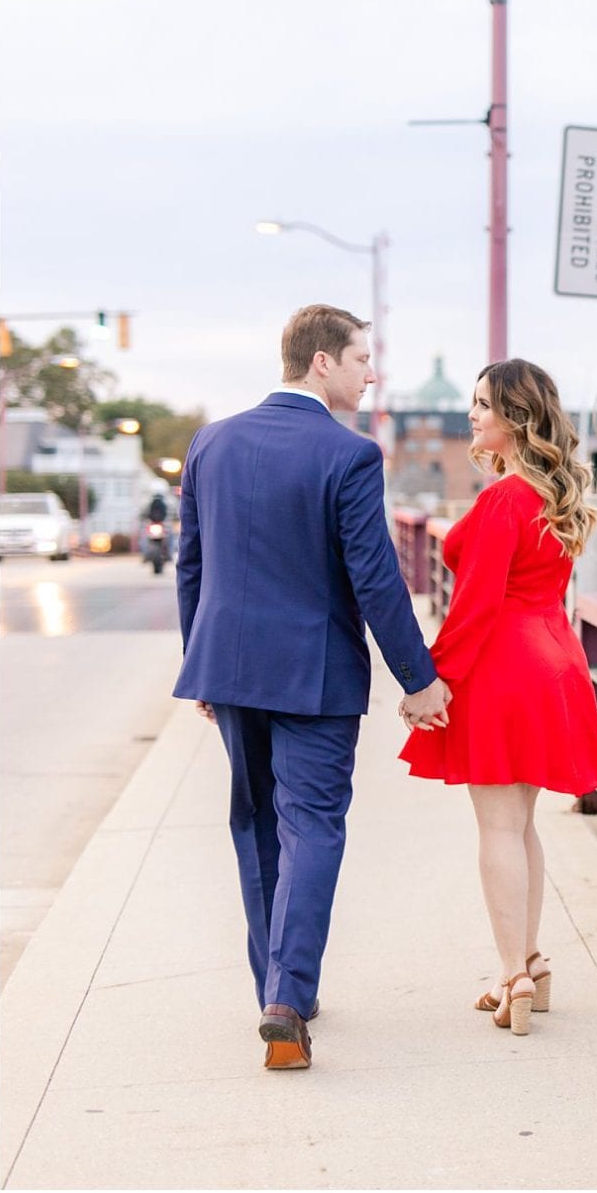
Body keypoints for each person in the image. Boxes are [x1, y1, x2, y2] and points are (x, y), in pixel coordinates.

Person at [174, 304, 451, 1070]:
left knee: (258, 823)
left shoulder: (212, 442)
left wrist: (199, 656)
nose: (372, 373)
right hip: (314, 675)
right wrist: (419, 679)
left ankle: (278, 986)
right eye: (362, 358)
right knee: (314, 826)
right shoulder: (349, 455)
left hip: (228, 666)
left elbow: (191, 564)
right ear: (321, 361)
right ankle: (288, 1000)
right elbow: (376, 578)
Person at [399, 358, 597, 1036]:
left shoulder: (503, 499)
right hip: (552, 659)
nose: (474, 415)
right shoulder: (550, 496)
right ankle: (531, 964)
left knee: (497, 827)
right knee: (520, 826)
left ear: (517, 418)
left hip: (503, 665)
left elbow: (475, 603)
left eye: (485, 404)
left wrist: (431, 680)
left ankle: (511, 975)